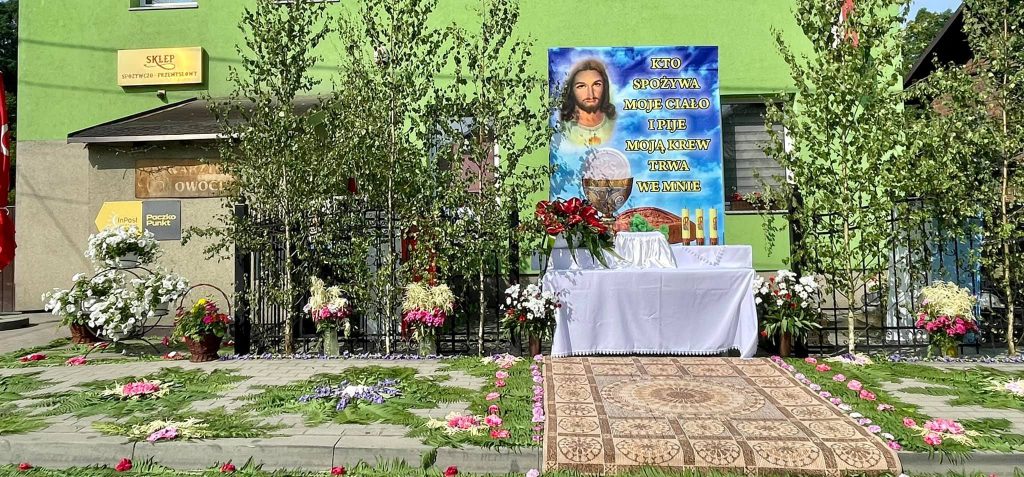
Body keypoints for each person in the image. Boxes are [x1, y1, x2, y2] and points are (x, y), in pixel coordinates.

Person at [559, 59, 616, 147]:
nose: (590, 94)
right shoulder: (561, 128)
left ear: (605, 87)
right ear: (571, 91)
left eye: (597, 84)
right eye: (581, 86)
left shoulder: (616, 122)